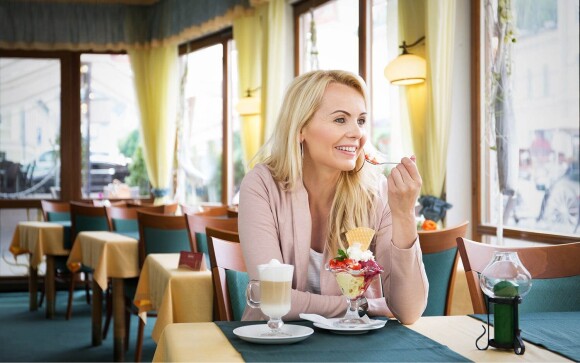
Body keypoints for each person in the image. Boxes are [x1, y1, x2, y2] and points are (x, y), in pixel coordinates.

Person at [238, 70, 428, 325]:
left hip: (356, 348)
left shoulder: (377, 191)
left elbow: (409, 310)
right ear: (300, 129)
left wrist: (404, 214)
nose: (357, 133)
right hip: (275, 343)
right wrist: (362, 305)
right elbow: (273, 299)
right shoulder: (261, 184)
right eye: (340, 120)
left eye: (360, 121)